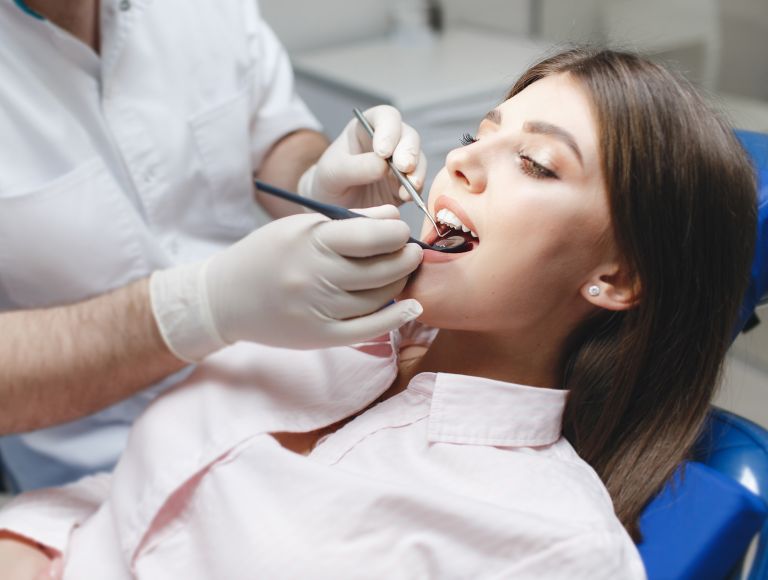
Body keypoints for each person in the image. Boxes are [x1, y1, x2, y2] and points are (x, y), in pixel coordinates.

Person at [0, 48, 757, 579]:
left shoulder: (554, 546)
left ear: (616, 277)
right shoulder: (307, 337)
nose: (460, 162)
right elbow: (142, 493)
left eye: (536, 163)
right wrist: (29, 540)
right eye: (476, 136)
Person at [0, 0, 427, 490]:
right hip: (99, 471)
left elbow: (271, 133)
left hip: (279, 409)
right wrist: (198, 309)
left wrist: (317, 183)